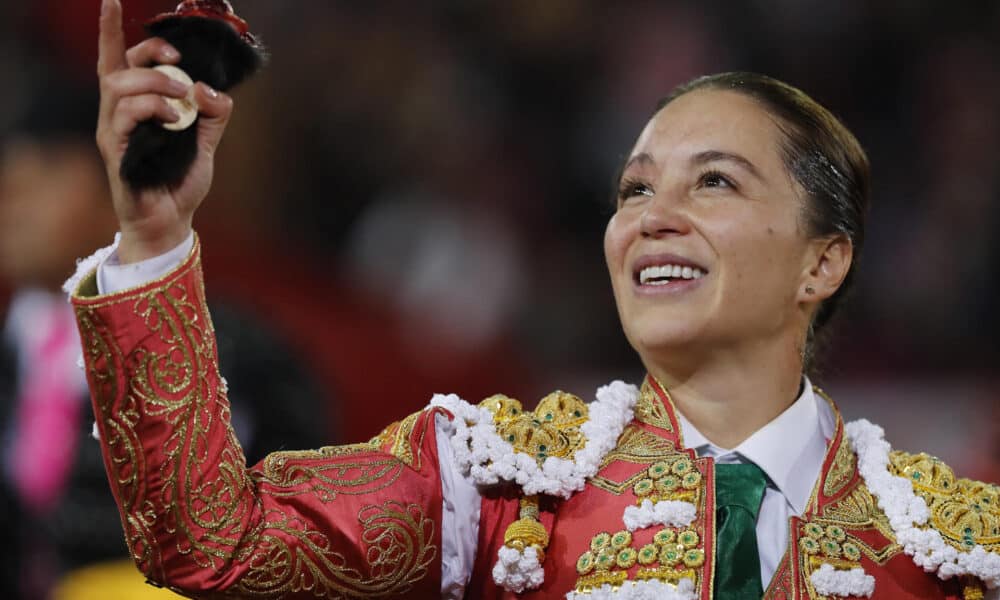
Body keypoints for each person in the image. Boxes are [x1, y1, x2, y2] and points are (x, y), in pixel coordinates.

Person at [67, 0, 999, 598]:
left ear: (823, 263)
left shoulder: (948, 544)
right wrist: (155, 242)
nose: (654, 218)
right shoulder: (491, 486)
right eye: (634, 190)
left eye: (714, 182)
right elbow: (210, 542)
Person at [0, 69, 336, 599]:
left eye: (46, 174)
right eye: (7, 180)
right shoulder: (16, 346)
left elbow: (290, 536)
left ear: (119, 185)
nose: (13, 203)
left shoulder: (229, 349)